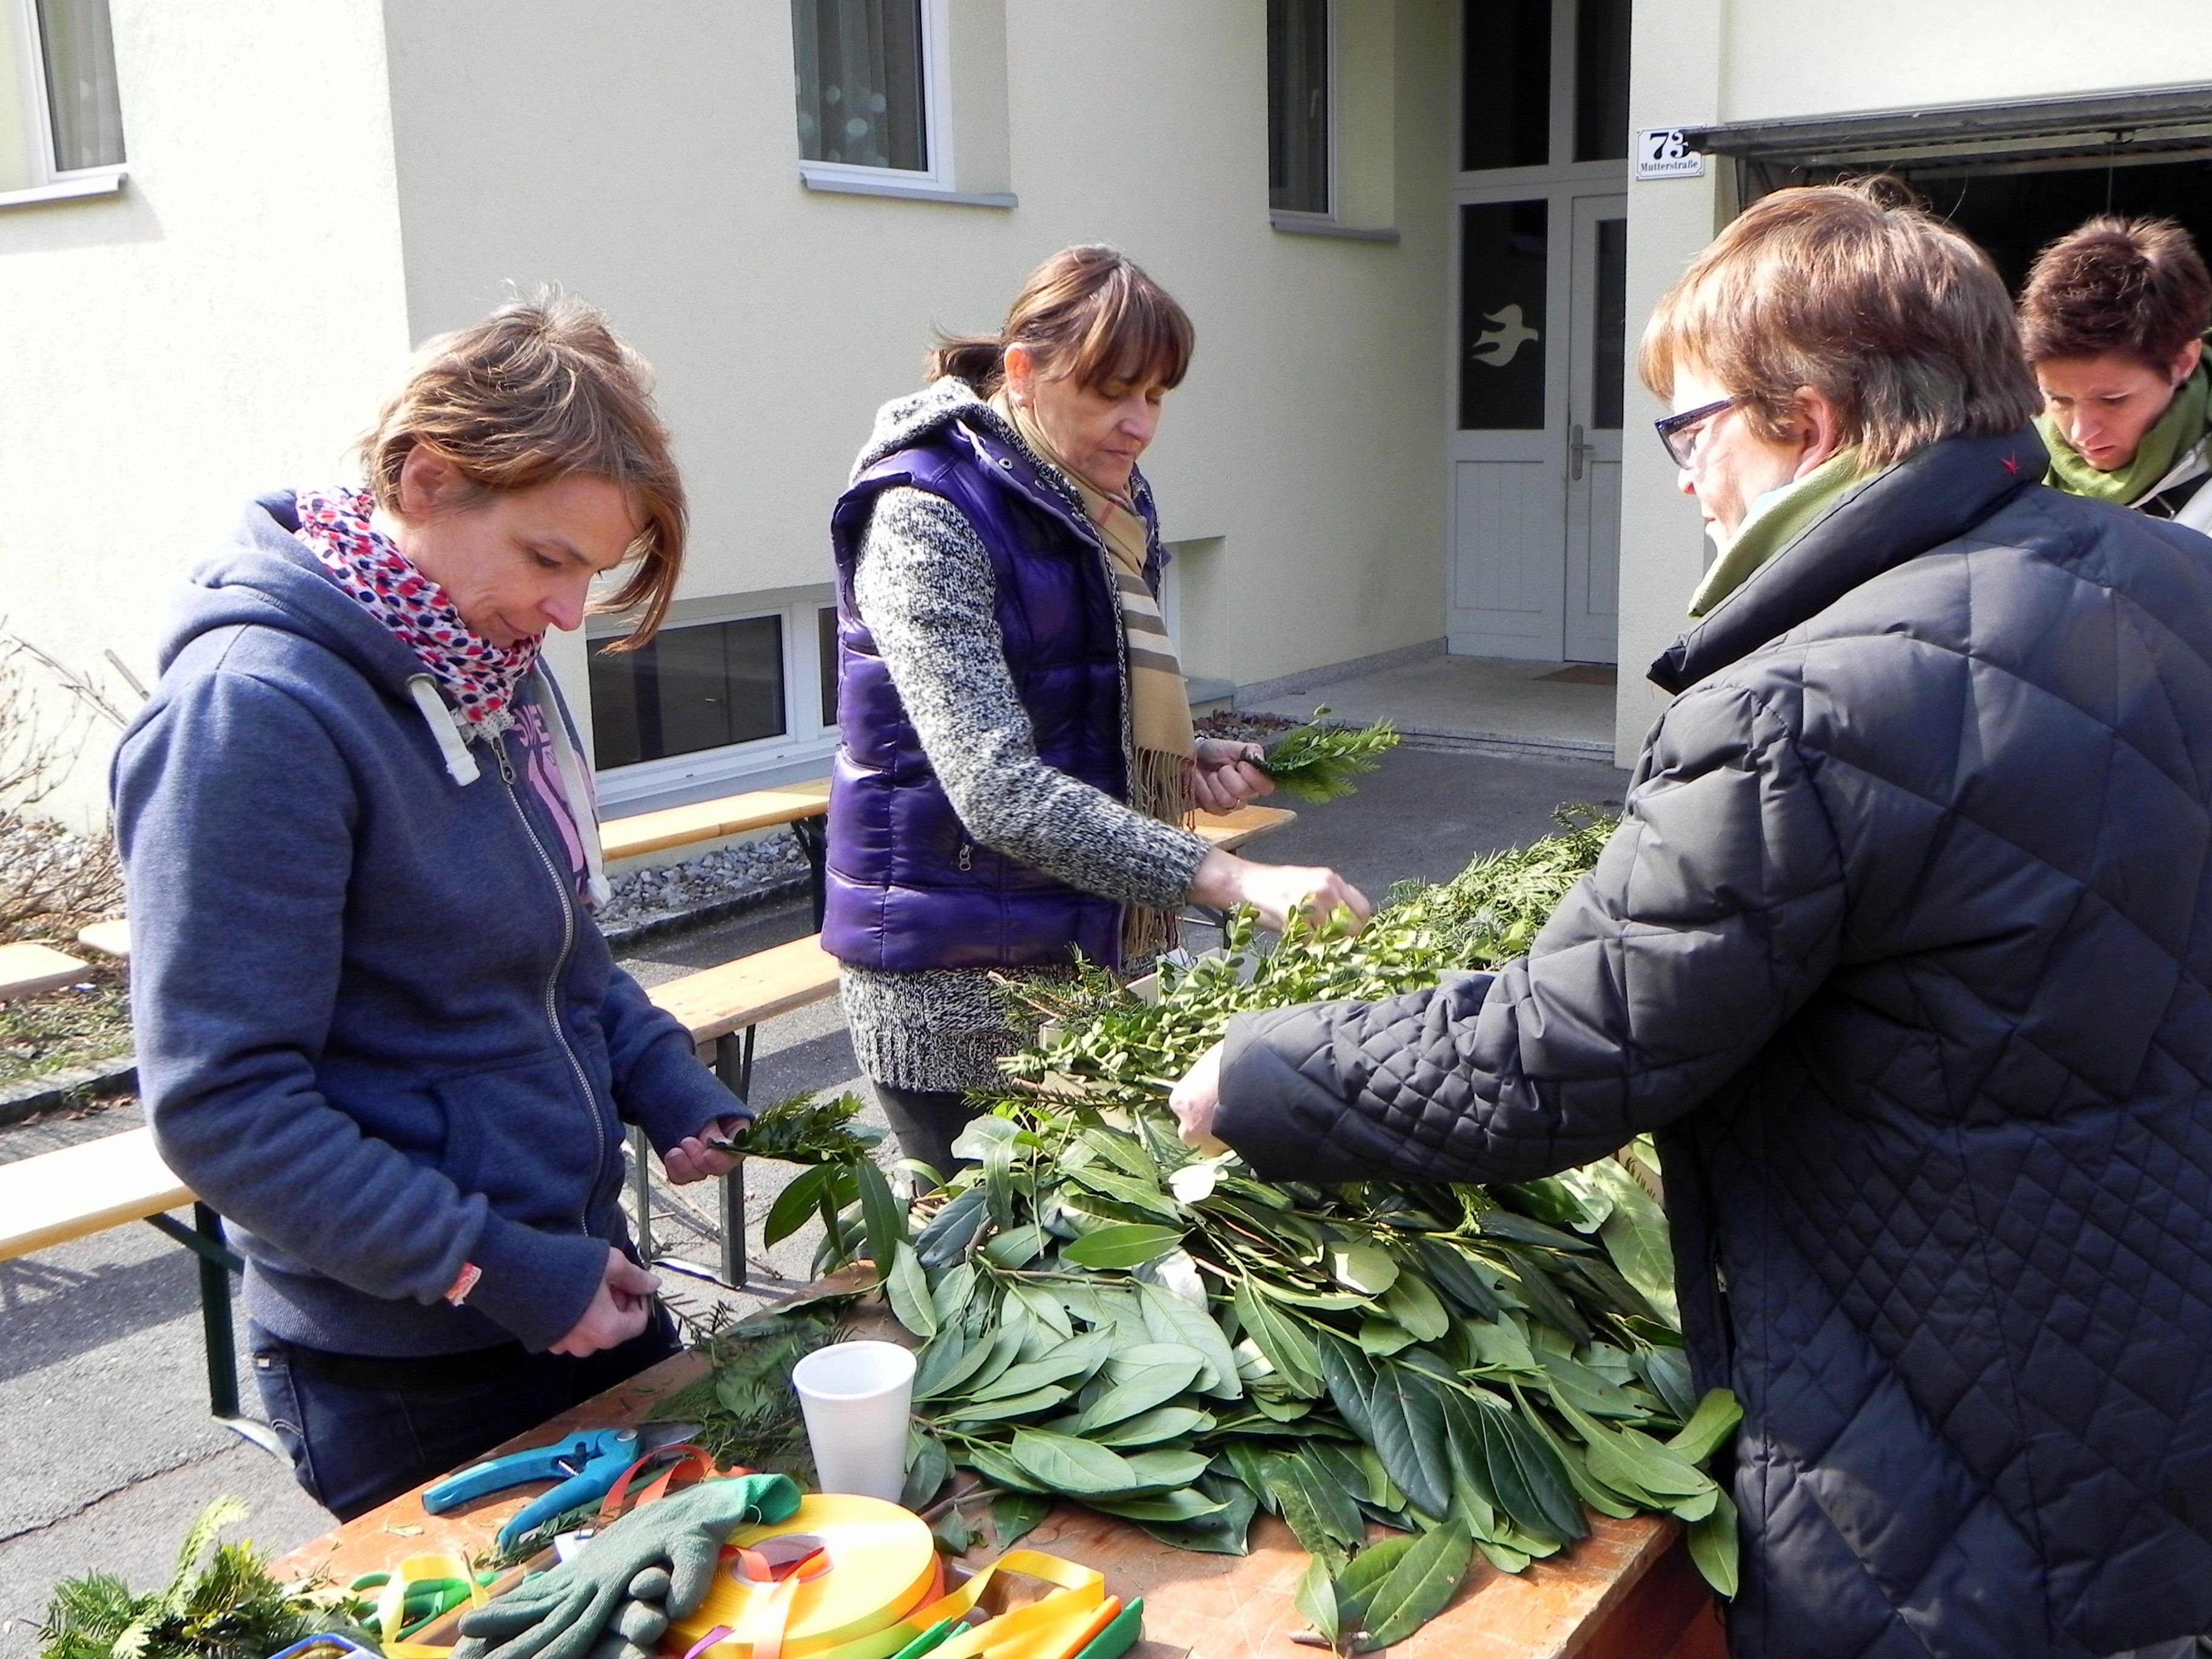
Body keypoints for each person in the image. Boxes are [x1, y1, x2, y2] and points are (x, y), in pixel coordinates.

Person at [1170, 183, 2212, 1657]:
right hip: (2156, 1368)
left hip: (1962, 1457)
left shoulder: (1805, 703)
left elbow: (1567, 1047)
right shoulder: (2177, 578)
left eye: (1692, 427)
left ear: (1811, 422)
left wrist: (1263, 1068)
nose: (1681, 477)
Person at [113, 295, 750, 1520]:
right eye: (549, 559)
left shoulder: (481, 669)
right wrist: (499, 1268)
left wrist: (664, 1076)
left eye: (593, 571)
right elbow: (224, 1109)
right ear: (426, 479)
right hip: (409, 1367)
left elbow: (555, 957)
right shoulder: (254, 713)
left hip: (575, 1283)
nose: (568, 613)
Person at [825, 244, 1369, 1179]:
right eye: (1113, 393)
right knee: (986, 1251)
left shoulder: (1102, 492)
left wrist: (1175, 758)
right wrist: (1235, 880)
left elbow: (1076, 696)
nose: (1140, 425)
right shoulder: (925, 512)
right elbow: (995, 788)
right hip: (952, 982)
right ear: (1024, 373)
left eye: (1157, 395)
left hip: (1085, 954)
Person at [2022, 215, 2212, 532]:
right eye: (2059, 400)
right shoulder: (2005, 469)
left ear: (2183, 363)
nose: (2081, 433)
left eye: (2112, 400)